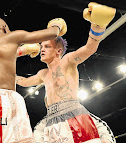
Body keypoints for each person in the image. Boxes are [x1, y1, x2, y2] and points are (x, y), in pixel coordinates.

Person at [16, 2, 116, 143]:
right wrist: (9, 60)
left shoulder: (67, 61)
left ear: (58, 51)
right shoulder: (43, 74)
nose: (42, 49)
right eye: (41, 46)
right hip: (51, 121)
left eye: (46, 46)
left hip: (74, 116)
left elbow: (89, 49)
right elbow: (23, 82)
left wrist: (98, 26)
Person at [0, 16, 67, 142]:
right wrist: (57, 25)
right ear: (5, 29)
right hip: (3, 99)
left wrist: (24, 50)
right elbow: (51, 34)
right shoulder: (11, 37)